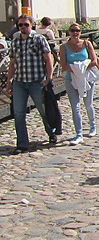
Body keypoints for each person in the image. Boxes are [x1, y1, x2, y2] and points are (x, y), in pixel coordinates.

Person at [4, 15, 55, 153]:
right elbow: (13, 63)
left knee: (43, 110)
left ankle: (51, 132)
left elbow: (48, 59)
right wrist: (9, 81)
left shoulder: (39, 39)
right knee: (19, 113)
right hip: (20, 82)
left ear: (32, 25)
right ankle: (22, 143)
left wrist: (49, 77)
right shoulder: (16, 41)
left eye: (25, 25)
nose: (23, 27)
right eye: (20, 25)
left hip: (36, 81)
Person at [59, 23, 99, 145]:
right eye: (72, 30)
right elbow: (63, 64)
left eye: (77, 30)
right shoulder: (64, 47)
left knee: (88, 104)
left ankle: (92, 126)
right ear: (69, 32)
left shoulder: (86, 44)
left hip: (86, 77)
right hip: (70, 78)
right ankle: (79, 133)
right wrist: (76, 69)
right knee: (75, 106)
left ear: (80, 32)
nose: (75, 33)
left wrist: (81, 68)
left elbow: (94, 60)